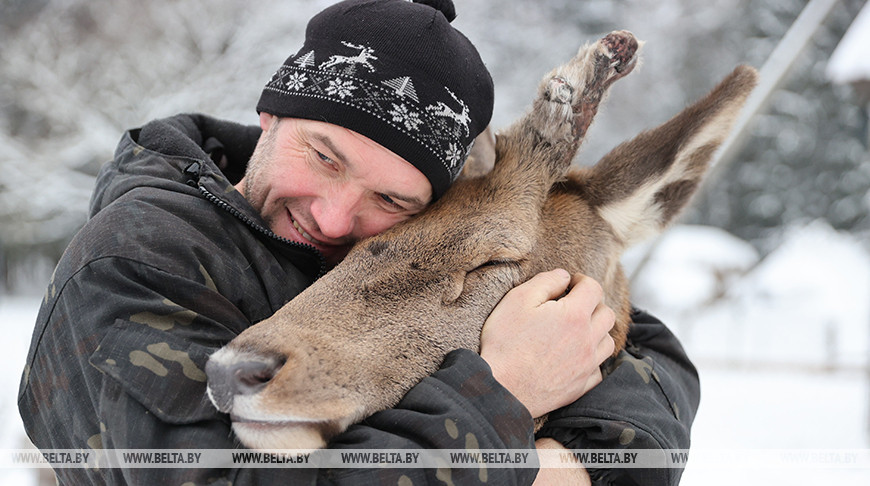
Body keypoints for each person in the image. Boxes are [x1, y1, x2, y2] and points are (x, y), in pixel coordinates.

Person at [18, 0, 699, 484]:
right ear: (271, 115)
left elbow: (648, 360)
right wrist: (503, 395)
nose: (336, 218)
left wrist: (580, 464)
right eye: (324, 157)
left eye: (392, 199)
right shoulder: (132, 258)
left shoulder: (389, 264)